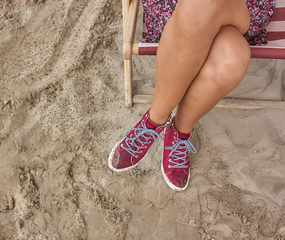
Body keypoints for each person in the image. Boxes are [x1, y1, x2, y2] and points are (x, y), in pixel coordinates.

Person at [108, 0, 276, 191]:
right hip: (179, 10)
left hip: (241, 8)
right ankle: (159, 124)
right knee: (231, 58)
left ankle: (172, 128)